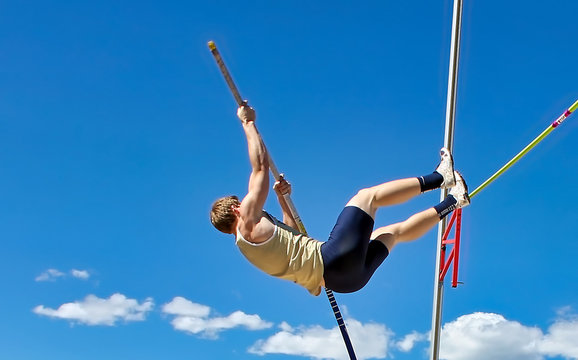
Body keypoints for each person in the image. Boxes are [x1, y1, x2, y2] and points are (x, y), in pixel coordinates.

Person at [210, 105, 470, 296]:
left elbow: (293, 232)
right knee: (367, 197)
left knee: (392, 233)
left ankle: (453, 200)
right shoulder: (247, 221)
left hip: (346, 281)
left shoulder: (248, 246)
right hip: (332, 259)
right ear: (236, 209)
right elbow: (260, 167)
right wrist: (248, 123)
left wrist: (282, 198)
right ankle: (440, 177)